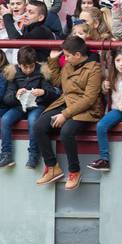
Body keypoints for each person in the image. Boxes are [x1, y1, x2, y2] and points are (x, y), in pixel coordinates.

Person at [33, 36, 103, 189]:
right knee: (39, 126)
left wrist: (65, 114)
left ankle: (74, 171)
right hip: (65, 102)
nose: (65, 58)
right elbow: (58, 82)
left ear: (78, 55)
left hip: (86, 109)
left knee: (66, 132)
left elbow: (89, 99)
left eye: (68, 55)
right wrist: (52, 60)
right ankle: (52, 167)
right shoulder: (69, 64)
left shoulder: (94, 68)